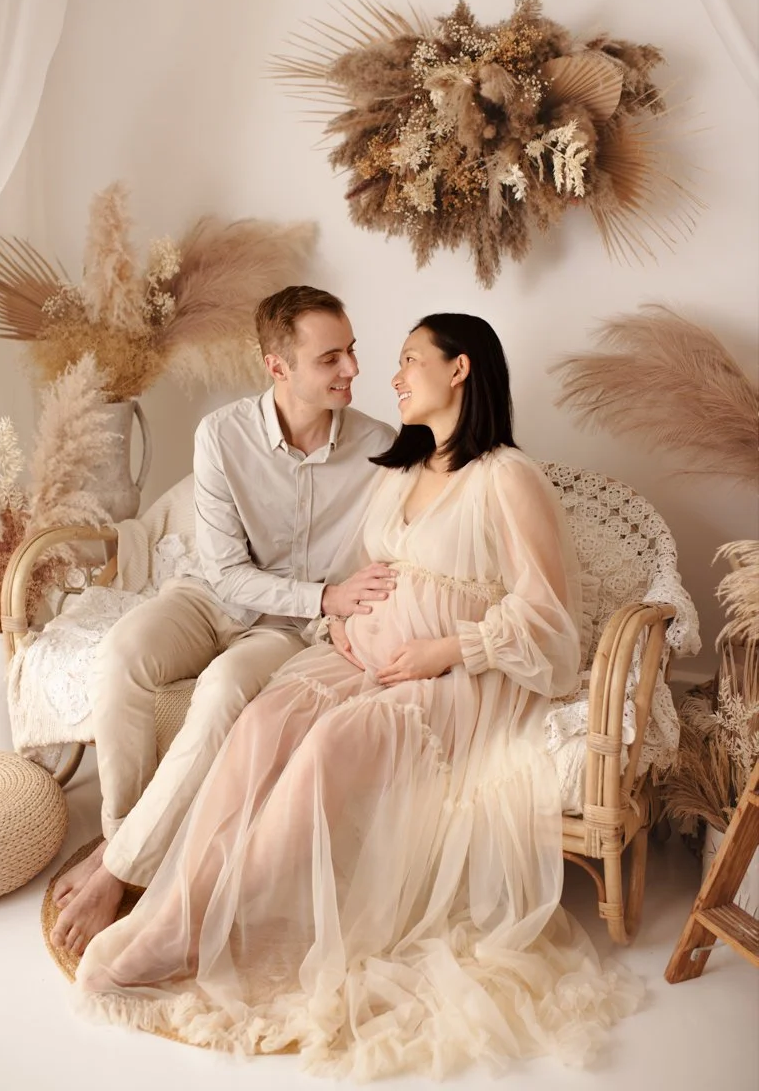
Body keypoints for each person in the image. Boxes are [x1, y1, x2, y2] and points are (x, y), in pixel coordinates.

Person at [75, 313, 641, 1078]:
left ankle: (226, 928)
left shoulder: (507, 476)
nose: (394, 376)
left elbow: (550, 622)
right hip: (361, 655)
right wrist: (344, 624)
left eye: (410, 360)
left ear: (461, 370)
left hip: (456, 679)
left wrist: (448, 649)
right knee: (260, 720)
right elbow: (369, 573)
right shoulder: (402, 467)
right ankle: (181, 911)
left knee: (327, 750)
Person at [50, 286, 396, 956]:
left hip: (281, 630)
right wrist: (328, 596)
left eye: (351, 351)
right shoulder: (222, 436)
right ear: (278, 368)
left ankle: (118, 874)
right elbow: (228, 573)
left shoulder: (383, 448)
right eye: (331, 358)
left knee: (221, 695)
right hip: (207, 598)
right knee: (122, 653)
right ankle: (126, 839)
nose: (353, 369)